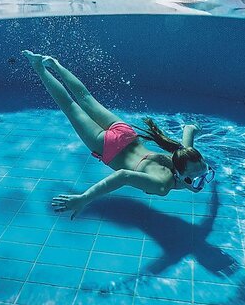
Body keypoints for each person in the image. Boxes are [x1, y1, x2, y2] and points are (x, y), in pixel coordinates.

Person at [22, 51, 214, 218]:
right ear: (183, 176)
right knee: (70, 106)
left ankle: (54, 64)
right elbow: (123, 175)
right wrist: (84, 198)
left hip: (126, 134)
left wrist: (196, 127)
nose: (201, 182)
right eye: (198, 178)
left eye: (205, 174)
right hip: (107, 145)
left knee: (85, 96)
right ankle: (38, 66)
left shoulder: (185, 154)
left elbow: (188, 129)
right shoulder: (162, 185)